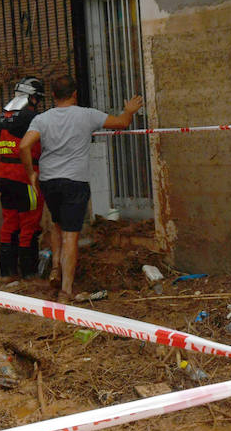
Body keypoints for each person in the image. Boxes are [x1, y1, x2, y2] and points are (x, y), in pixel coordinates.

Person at [19, 75, 142, 300]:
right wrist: (130, 110)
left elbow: (24, 145)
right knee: (71, 236)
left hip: (49, 181)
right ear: (74, 94)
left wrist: (31, 174)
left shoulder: (42, 119)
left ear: (54, 96)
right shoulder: (87, 115)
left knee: (57, 226)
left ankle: (55, 266)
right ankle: (66, 289)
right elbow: (122, 123)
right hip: (75, 181)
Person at [0, 77, 46, 278]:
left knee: (9, 223)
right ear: (32, 98)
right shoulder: (32, 118)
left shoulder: (4, 116)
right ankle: (29, 272)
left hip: (3, 176)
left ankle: (7, 271)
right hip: (25, 177)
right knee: (29, 224)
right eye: (38, 99)